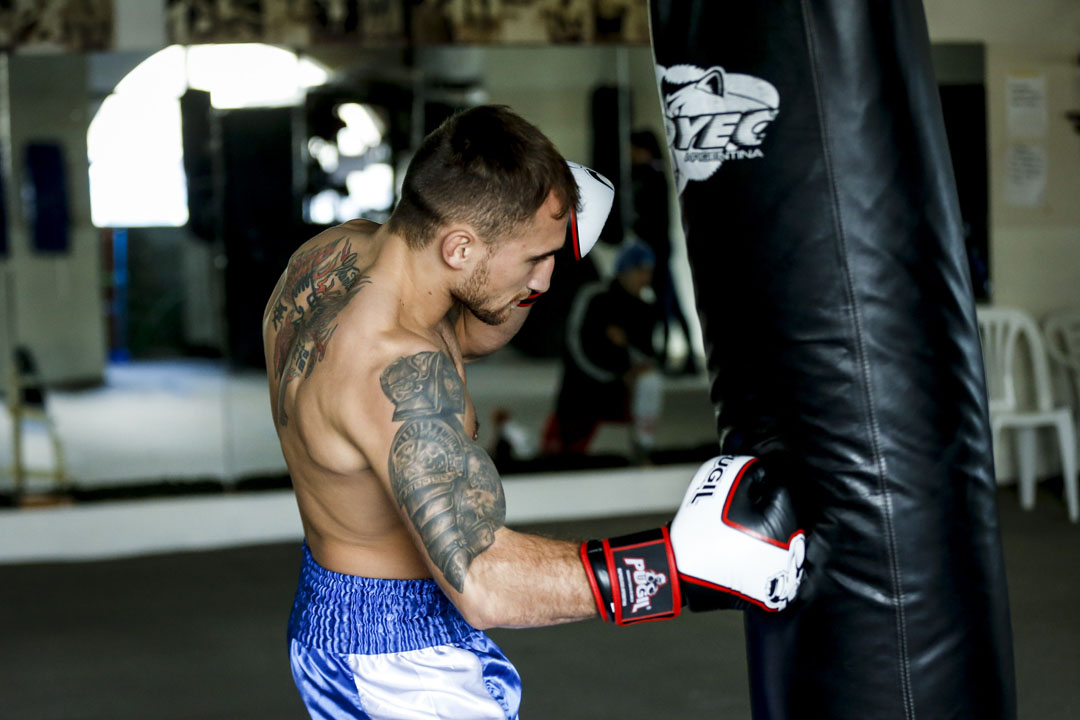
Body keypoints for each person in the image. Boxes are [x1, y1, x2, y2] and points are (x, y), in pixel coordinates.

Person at [262, 104, 804, 719]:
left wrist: (535, 242)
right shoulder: (386, 368)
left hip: (349, 615)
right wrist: (676, 569)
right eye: (535, 260)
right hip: (398, 668)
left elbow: (464, 334)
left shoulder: (340, 255)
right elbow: (486, 583)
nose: (548, 279)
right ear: (460, 247)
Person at [542, 240, 664, 462]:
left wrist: (631, 364)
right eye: (639, 272)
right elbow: (576, 345)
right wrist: (617, 370)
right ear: (624, 271)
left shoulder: (645, 309)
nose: (645, 279)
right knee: (563, 455)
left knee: (651, 382)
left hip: (619, 390)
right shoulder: (595, 297)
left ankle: (643, 446)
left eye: (648, 273)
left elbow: (647, 354)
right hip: (582, 391)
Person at [629, 128, 697, 375]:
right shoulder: (649, 175)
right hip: (657, 249)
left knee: (666, 305)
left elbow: (654, 218)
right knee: (670, 305)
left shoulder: (653, 176)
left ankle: (670, 354)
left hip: (657, 250)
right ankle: (680, 354)